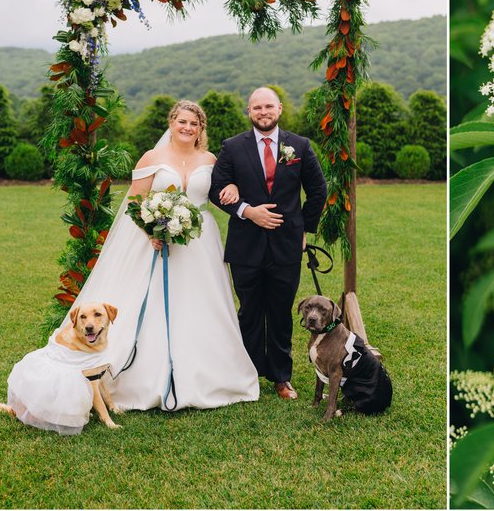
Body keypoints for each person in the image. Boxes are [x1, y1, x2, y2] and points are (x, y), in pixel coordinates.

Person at [62, 100, 259, 411]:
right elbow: (135, 202)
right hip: (157, 243)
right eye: (182, 121)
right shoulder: (152, 157)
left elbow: (223, 185)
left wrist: (232, 185)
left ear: (200, 129)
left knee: (203, 303)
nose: (187, 128)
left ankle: (210, 375)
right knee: (154, 304)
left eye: (194, 124)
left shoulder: (210, 158)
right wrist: (152, 233)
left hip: (201, 243)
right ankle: (145, 376)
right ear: (171, 123)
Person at [209, 87, 327, 400]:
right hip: (245, 246)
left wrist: (304, 229)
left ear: (280, 109)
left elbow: (318, 191)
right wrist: (247, 211)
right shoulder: (233, 147)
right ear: (249, 111)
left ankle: (280, 377)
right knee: (249, 312)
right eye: (257, 107)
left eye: (269, 107)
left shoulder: (299, 145)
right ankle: (245, 376)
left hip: (287, 245)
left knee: (279, 312)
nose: (263, 112)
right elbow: (215, 189)